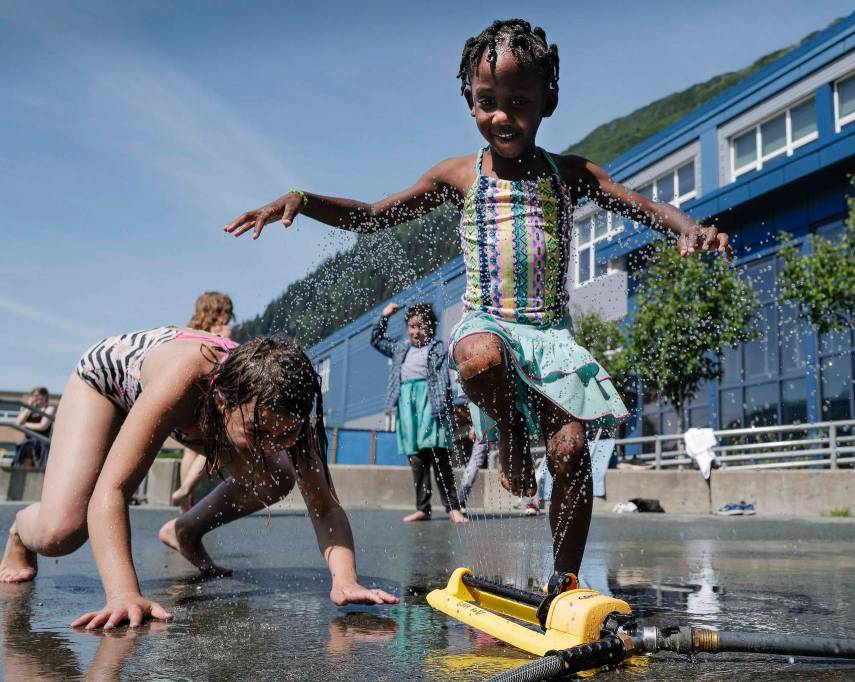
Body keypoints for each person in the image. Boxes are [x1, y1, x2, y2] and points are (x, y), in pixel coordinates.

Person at [222, 18, 729, 576]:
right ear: (469, 100)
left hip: (551, 338)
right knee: (480, 356)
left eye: (518, 101)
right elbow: (375, 216)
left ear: (548, 101)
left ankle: (564, 582)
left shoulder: (570, 174)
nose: (501, 116)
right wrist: (301, 197)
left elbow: (645, 205)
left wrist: (688, 228)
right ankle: (509, 429)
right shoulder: (460, 174)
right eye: (487, 101)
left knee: (571, 454)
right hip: (488, 323)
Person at [0, 327, 397, 628]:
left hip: (203, 412)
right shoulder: (186, 379)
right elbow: (114, 487)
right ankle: (21, 532)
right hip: (107, 386)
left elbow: (325, 508)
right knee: (63, 531)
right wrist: (123, 594)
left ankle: (185, 531)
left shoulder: (285, 409)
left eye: (286, 434)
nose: (274, 443)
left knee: (276, 476)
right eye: (261, 434)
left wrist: (345, 579)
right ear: (225, 402)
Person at [371, 302, 468, 524]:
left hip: (431, 404)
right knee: (417, 459)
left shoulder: (440, 348)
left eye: (421, 326)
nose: (416, 331)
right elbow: (376, 339)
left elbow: (457, 355)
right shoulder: (400, 348)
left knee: (439, 456)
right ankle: (423, 508)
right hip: (407, 405)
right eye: (412, 326)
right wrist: (384, 316)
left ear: (431, 327)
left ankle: (453, 509)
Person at [172, 291, 236, 509]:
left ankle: (185, 504)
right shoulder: (222, 331)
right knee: (215, 441)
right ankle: (188, 487)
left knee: (189, 448)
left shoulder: (189, 330)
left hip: (185, 391)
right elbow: (226, 358)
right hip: (209, 392)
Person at [13, 388, 55, 468]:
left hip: (41, 441)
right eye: (33, 396)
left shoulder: (49, 409)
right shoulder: (28, 409)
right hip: (27, 441)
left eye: (37, 396)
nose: (34, 398)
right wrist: (28, 407)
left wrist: (25, 424)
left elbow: (42, 426)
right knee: (25, 453)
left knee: (38, 465)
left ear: (44, 396)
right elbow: (18, 423)